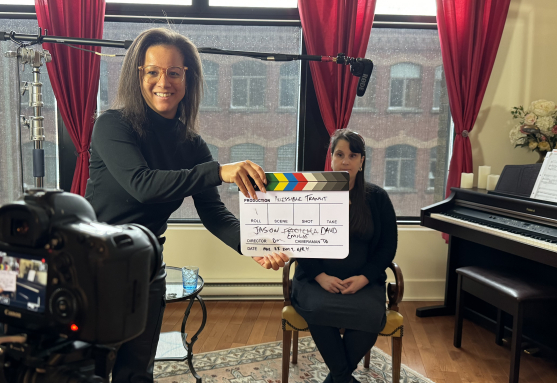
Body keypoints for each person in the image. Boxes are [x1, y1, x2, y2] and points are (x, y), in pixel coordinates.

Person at [84, 27, 287, 382]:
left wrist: (255, 243)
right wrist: (217, 171)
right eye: (153, 71)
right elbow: (142, 185)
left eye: (174, 72)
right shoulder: (112, 125)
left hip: (147, 265)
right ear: (138, 75)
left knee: (138, 370)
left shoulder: (191, 143)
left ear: (187, 79)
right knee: (91, 371)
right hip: (94, 266)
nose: (164, 81)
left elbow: (214, 213)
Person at [291, 129, 398, 383]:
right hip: (316, 282)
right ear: (331, 158)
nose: (345, 161)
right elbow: (299, 240)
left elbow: (387, 247)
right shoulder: (312, 194)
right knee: (317, 308)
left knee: (372, 315)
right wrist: (320, 276)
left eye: (353, 155)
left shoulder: (378, 198)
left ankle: (337, 379)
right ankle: (343, 378)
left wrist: (364, 277)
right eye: (340, 154)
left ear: (362, 161)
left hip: (362, 283)